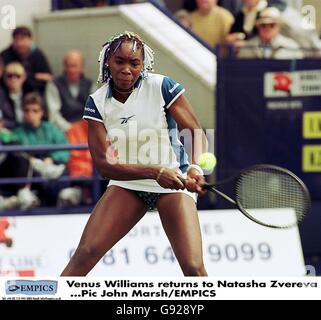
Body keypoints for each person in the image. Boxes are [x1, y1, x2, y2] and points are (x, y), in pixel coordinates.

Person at [61, 31, 209, 276]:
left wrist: (195, 168)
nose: (126, 69)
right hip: (128, 184)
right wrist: (154, 172)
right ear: (108, 61)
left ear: (144, 65)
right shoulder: (97, 102)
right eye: (120, 61)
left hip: (174, 183)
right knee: (84, 255)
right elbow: (104, 165)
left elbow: (194, 131)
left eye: (134, 63)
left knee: (193, 267)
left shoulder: (162, 86)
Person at [45, 50, 97, 132]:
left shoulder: (91, 85)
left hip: (85, 130)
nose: (71, 70)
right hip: (62, 131)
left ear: (82, 67)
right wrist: (70, 129)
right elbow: (53, 115)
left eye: (74, 66)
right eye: (67, 66)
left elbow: (94, 112)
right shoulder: (54, 85)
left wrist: (82, 129)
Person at [0, 26, 53, 94]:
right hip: (9, 94)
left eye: (23, 39)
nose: (20, 43)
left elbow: (49, 77)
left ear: (30, 40)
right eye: (17, 40)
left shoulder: (37, 54)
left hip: (35, 94)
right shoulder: (5, 55)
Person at [237, 7, 303, 59]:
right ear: (258, 27)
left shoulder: (291, 46)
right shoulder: (247, 48)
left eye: (272, 25)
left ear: (279, 27)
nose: (267, 28)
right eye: (263, 25)